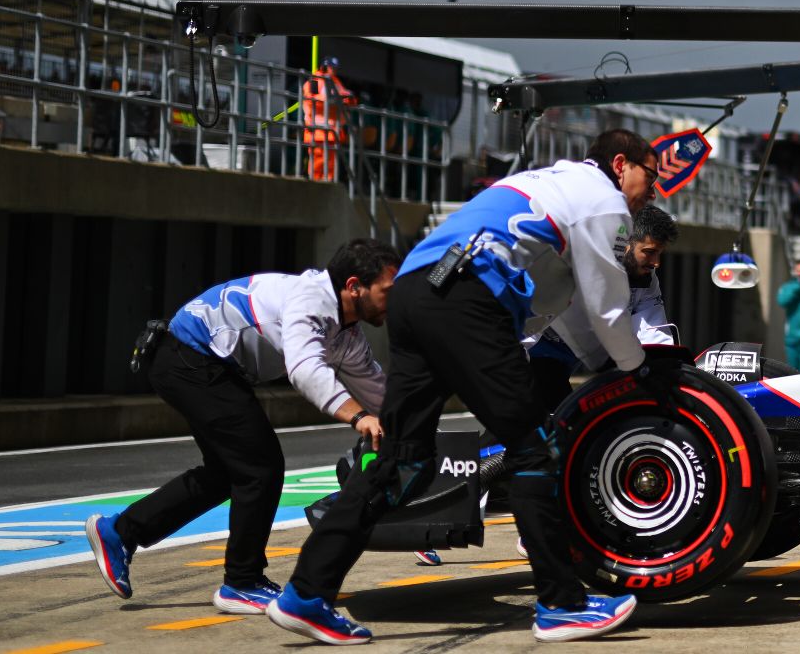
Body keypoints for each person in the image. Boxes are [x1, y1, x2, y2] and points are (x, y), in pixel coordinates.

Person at [266, 129, 660, 646]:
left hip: (413, 290)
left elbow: (562, 305)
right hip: (466, 299)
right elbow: (608, 310)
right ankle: (561, 605)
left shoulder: (545, 181)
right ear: (620, 163)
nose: (653, 189)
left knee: (404, 461)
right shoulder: (605, 203)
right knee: (534, 449)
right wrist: (639, 372)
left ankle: (306, 593)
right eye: (651, 175)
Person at [84, 240, 399, 614]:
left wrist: (413, 429)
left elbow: (377, 389)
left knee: (227, 473)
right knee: (260, 467)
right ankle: (242, 582)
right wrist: (358, 416)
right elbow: (305, 369)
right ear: (354, 286)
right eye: (388, 292)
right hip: (189, 355)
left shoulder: (347, 334)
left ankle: (120, 533)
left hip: (203, 363)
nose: (394, 303)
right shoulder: (309, 302)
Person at [528, 202, 682, 414]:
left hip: (571, 355)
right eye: (649, 252)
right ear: (624, 244)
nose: (656, 263)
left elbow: (655, 337)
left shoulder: (647, 278)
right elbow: (526, 321)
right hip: (532, 349)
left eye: (659, 253)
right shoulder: (580, 265)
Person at [301, 58, 357, 183]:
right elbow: (311, 100)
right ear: (325, 67)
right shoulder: (314, 81)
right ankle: (315, 185)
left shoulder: (335, 82)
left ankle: (327, 183)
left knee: (330, 164)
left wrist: (346, 99)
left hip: (332, 132)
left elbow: (349, 99)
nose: (334, 71)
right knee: (318, 161)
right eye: (332, 67)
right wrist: (332, 101)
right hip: (318, 131)